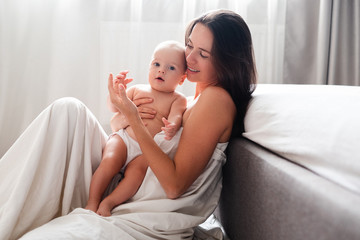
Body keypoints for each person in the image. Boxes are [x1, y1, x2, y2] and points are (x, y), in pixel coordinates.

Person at [0, 9, 256, 240]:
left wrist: (133, 118)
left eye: (203, 54)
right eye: (189, 46)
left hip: (139, 208)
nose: (189, 58)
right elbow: (124, 129)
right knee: (68, 110)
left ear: (228, 61)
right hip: (124, 181)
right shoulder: (193, 100)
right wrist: (123, 113)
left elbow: (174, 186)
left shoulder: (216, 100)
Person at [85, 41, 187, 216]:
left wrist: (173, 125)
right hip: (124, 140)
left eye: (171, 68)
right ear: (149, 67)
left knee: (137, 174)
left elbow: (176, 116)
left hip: (145, 151)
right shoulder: (137, 89)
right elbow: (114, 107)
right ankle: (92, 201)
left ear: (182, 78)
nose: (161, 70)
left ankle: (109, 203)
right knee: (109, 160)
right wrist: (117, 91)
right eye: (156, 64)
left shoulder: (178, 99)